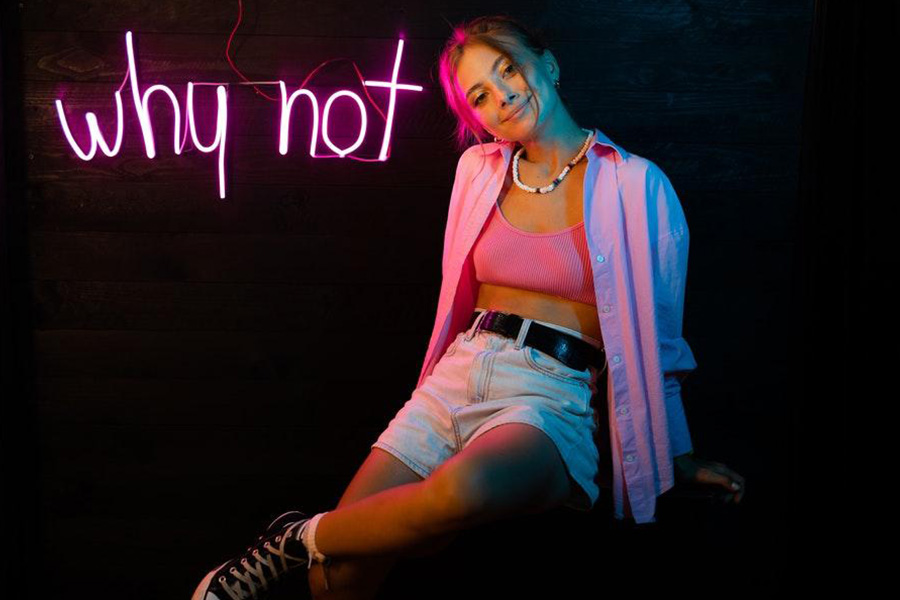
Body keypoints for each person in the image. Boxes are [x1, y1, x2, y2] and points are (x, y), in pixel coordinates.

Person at [192, 14, 746, 600]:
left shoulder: (637, 184)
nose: (503, 94)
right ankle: (304, 543)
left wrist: (676, 457)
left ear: (549, 65)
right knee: (341, 579)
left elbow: (659, 340)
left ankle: (292, 537)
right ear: (475, 117)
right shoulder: (476, 172)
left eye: (509, 69)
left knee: (457, 497)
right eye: (480, 94)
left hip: (549, 394)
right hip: (458, 374)